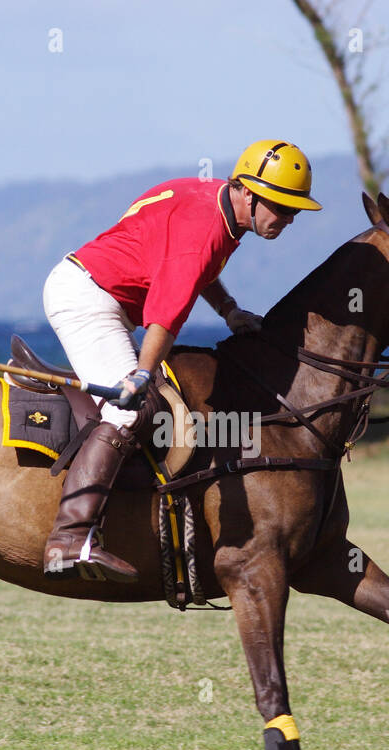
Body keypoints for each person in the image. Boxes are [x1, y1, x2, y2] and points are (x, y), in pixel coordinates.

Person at [41, 139, 323, 584]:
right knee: (129, 408)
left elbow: (193, 268)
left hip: (93, 287)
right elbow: (166, 316)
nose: (288, 220)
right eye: (282, 207)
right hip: (88, 300)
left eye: (295, 211)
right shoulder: (206, 229)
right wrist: (140, 374)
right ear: (248, 192)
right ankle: (69, 538)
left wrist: (229, 310)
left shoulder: (214, 203)